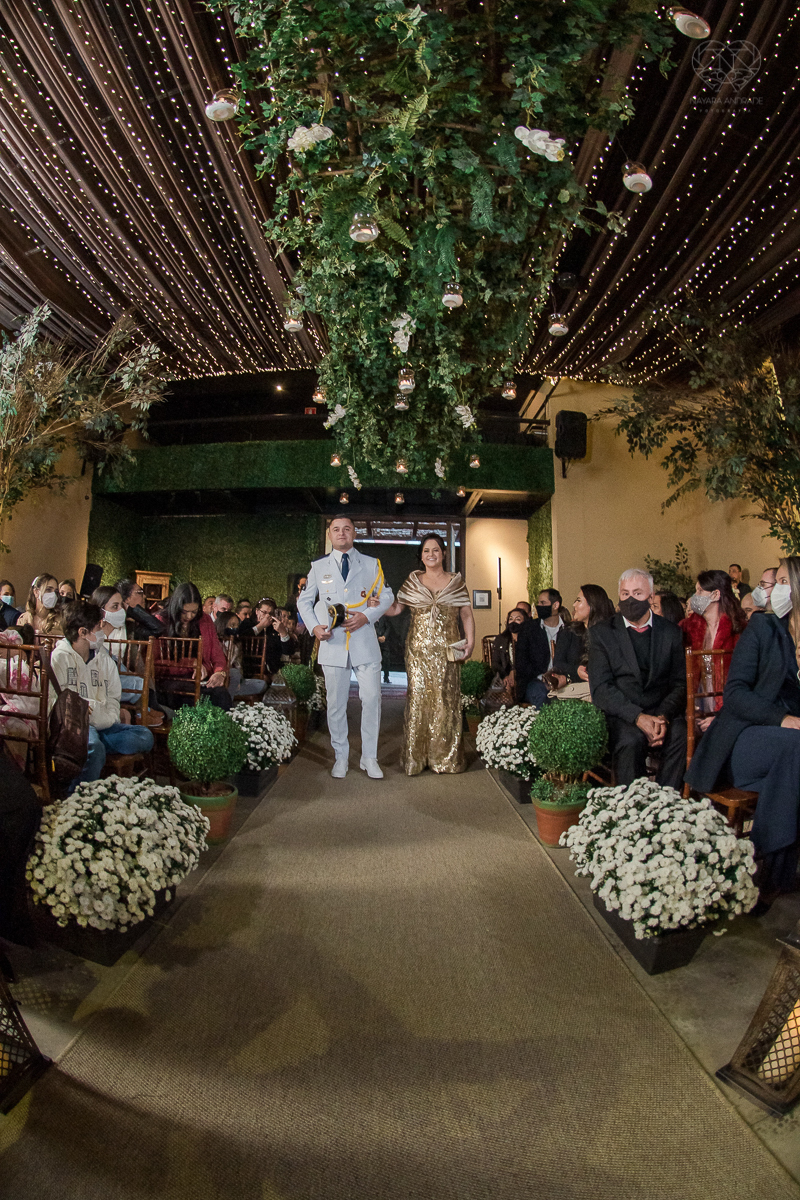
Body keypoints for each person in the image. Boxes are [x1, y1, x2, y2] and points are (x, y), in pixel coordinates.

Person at [686, 557, 800, 904]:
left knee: (794, 762)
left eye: (783, 582)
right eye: (775, 582)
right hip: (746, 738)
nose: (774, 589)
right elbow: (735, 694)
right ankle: (769, 867)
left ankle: (772, 869)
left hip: (786, 756)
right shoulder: (763, 629)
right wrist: (784, 719)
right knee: (796, 746)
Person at [298, 514, 394, 778]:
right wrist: (314, 627)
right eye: (336, 529)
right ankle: (340, 756)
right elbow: (304, 601)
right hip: (333, 641)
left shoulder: (371, 563)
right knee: (336, 703)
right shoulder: (319, 567)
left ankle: (369, 757)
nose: (341, 533)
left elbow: (387, 595)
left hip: (364, 639)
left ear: (354, 533)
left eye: (347, 529)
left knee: (372, 699)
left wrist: (367, 616)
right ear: (330, 535)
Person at [378, 534, 473, 775]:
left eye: (436, 550)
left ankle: (445, 759)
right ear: (421, 556)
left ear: (443, 553)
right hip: (418, 650)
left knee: (445, 700)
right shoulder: (412, 581)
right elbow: (396, 609)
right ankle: (416, 758)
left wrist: (470, 641)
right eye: (426, 551)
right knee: (418, 699)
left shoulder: (456, 582)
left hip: (448, 648)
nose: (431, 554)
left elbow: (465, 613)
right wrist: (375, 605)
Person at [588, 568, 687, 789]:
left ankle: (665, 798)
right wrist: (638, 717)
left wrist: (662, 717)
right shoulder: (602, 633)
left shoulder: (671, 632)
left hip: (661, 710)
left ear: (651, 597)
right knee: (631, 740)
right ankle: (632, 802)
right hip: (622, 714)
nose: (630, 600)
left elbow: (680, 683)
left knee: (681, 734)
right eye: (625, 594)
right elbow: (601, 688)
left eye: (637, 593)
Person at [51, 599, 154, 791]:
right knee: (94, 747)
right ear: (82, 632)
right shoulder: (60, 657)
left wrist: (108, 717)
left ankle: (96, 744)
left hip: (105, 724)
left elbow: (114, 696)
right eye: (98, 627)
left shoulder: (103, 657)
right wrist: (90, 712)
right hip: (77, 728)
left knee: (145, 736)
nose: (102, 631)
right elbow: (61, 702)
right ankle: (77, 796)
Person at [680, 570, 746, 723]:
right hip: (698, 700)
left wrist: (720, 716)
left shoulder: (738, 630)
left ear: (715, 595)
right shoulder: (688, 628)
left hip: (728, 706)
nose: (694, 596)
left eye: (700, 591)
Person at [154, 582, 232, 710]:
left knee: (221, 694)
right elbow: (154, 664)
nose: (189, 616)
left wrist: (220, 672)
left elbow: (217, 654)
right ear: (176, 607)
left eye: (194, 612)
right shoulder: (161, 620)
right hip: (170, 680)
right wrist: (190, 663)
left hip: (199, 679)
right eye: (184, 612)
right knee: (200, 698)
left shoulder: (205, 620)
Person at [548, 584, 615, 692]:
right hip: (574, 688)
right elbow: (558, 663)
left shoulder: (610, 633)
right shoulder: (569, 631)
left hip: (604, 688)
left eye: (578, 601)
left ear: (592, 605)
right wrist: (576, 671)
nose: (574, 605)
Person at [214, 610, 266, 701]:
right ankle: (228, 700)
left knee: (261, 684)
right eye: (232, 625)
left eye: (237, 626)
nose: (235, 628)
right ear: (223, 625)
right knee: (234, 673)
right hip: (220, 676)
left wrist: (238, 680)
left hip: (235, 679)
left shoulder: (237, 644)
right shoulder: (216, 642)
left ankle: (229, 693)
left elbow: (238, 665)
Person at [239, 597, 297, 674]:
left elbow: (289, 651)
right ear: (257, 611)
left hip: (273, 670)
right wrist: (261, 626)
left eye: (270, 613)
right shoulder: (248, 623)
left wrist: (283, 632)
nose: (267, 616)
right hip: (251, 669)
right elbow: (241, 638)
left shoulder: (275, 627)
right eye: (264, 612)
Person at [491, 608, 529, 703]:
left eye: (518, 619)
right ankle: (508, 707)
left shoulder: (530, 640)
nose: (513, 622)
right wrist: (505, 676)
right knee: (506, 685)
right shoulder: (501, 639)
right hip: (504, 675)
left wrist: (515, 672)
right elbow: (495, 663)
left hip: (524, 677)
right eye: (511, 619)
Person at [17, 573, 63, 639]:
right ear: (36, 592)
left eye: (55, 591)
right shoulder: (24, 619)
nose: (53, 595)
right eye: (48, 590)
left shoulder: (60, 620)